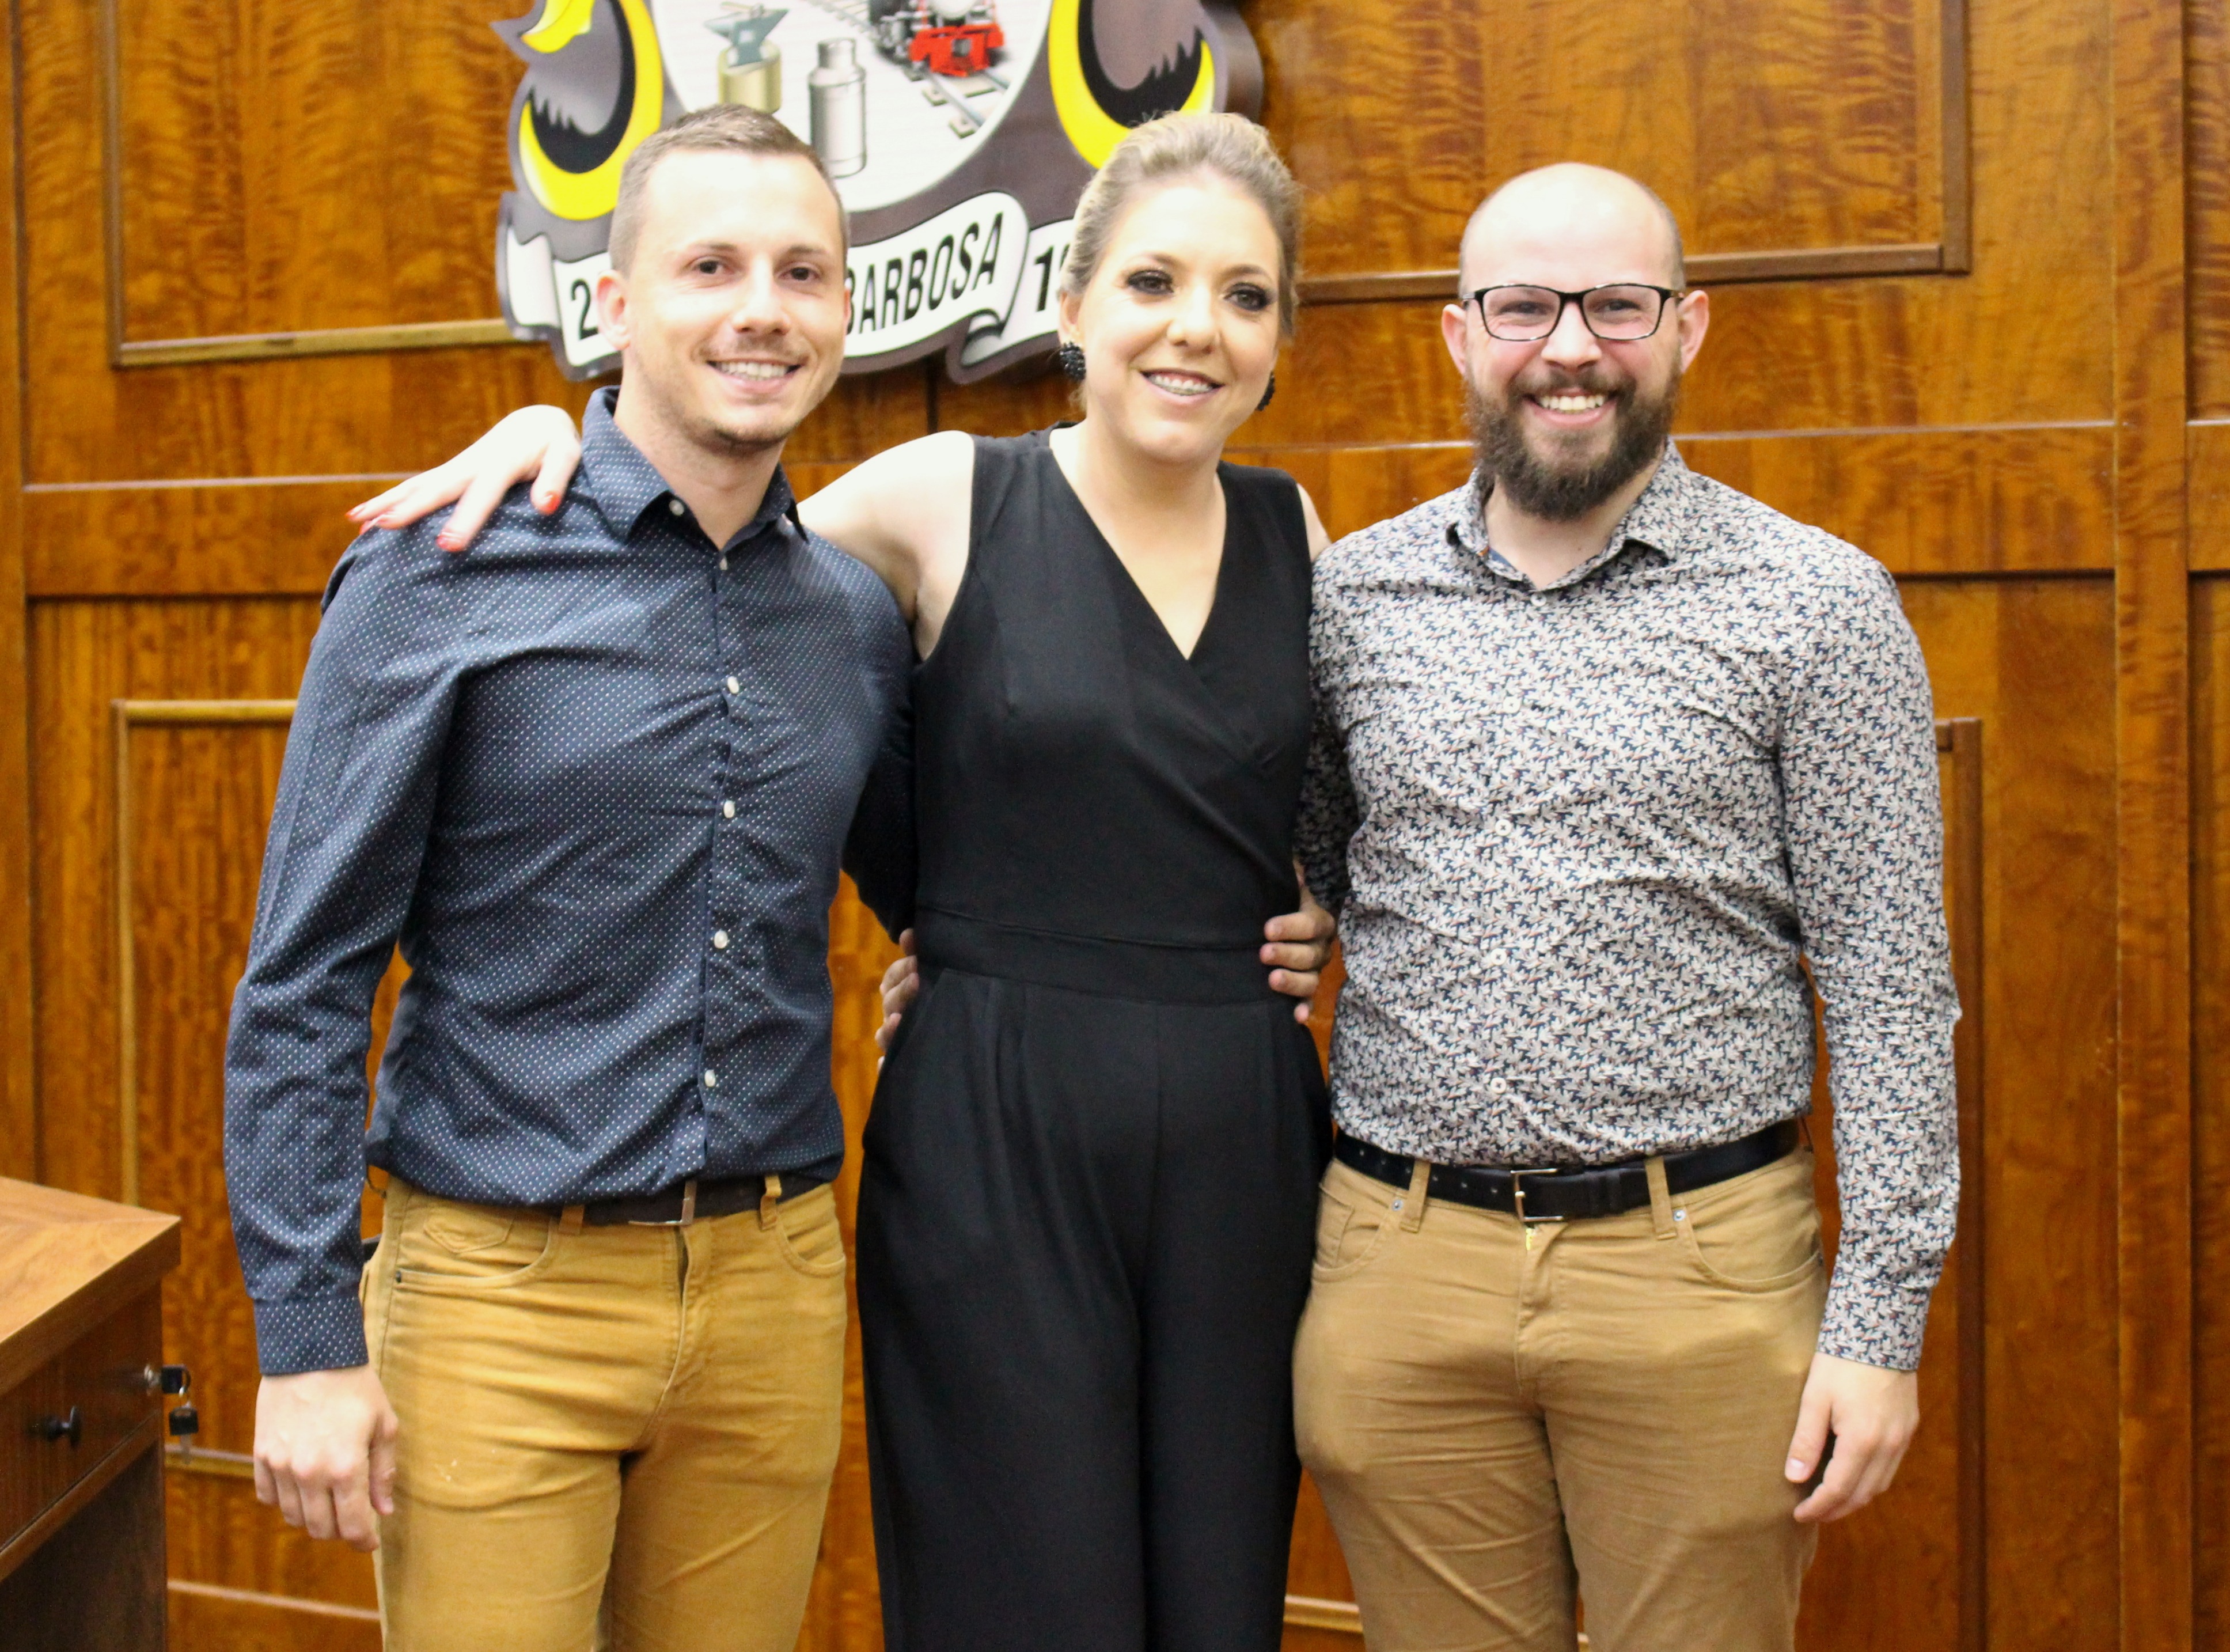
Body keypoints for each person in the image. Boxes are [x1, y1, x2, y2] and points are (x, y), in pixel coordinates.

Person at [351, 112, 1337, 1652]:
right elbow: (705, 553)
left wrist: (1324, 900)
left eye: (1246, 294)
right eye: (1152, 280)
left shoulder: (1304, 534)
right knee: (1022, 1599)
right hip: (992, 1121)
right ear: (1070, 304)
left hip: (1242, 1133)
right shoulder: (936, 494)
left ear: (1280, 336)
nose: (1196, 326)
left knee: (1223, 1599)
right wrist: (547, 434)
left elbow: (1361, 790)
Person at [227, 107, 919, 1652]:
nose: (762, 308)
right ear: (612, 303)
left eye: (803, 272)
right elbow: (305, 979)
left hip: (773, 1289)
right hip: (498, 1295)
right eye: (710, 266)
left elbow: (947, 886)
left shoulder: (852, 617)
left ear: (843, 308)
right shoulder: (440, 569)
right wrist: (304, 1337)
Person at [1288, 163, 1958, 1652]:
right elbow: (1299, 877)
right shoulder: (1350, 603)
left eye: (1617, 306)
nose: (1571, 348)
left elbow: (1891, 980)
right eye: (1525, 307)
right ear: (1462, 335)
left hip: (1698, 1274)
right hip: (1400, 1273)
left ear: (1688, 327)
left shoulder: (1818, 603)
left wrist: (1879, 1322)